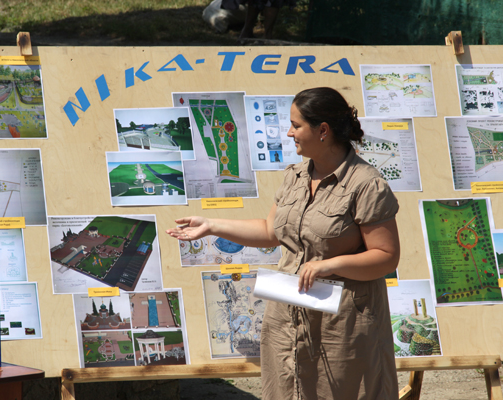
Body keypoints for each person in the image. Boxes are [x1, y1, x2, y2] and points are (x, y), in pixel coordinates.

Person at [166, 87, 400, 399]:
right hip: (288, 318)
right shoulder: (295, 176)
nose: (289, 133)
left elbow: (386, 257)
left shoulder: (366, 184)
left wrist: (329, 265)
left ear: (323, 131)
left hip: (341, 323)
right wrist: (211, 226)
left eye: (296, 125)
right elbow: (270, 231)